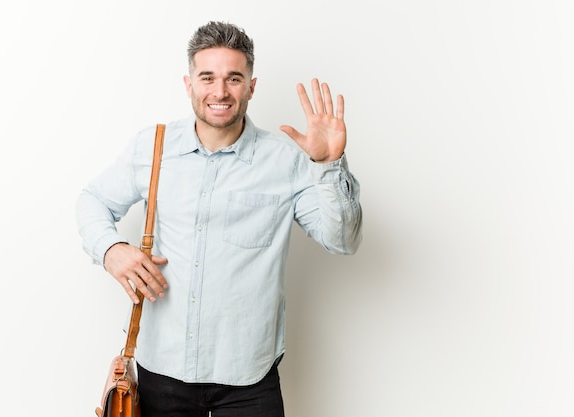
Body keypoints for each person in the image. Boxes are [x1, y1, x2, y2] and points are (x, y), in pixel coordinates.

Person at [76, 21, 362, 417]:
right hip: (163, 372)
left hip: (249, 378)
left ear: (251, 86)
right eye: (207, 77)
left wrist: (329, 164)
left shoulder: (287, 160)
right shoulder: (153, 147)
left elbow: (343, 240)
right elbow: (93, 200)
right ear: (189, 83)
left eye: (234, 78)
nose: (220, 91)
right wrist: (111, 250)